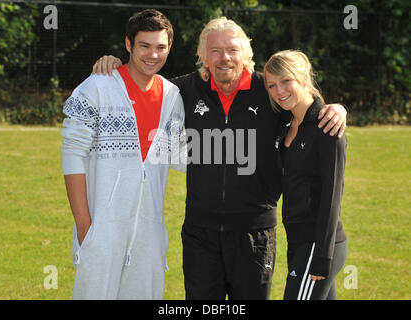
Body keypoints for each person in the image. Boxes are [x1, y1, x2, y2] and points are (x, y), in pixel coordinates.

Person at [93, 16, 347, 300]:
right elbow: (144, 80)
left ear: (245, 54)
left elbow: (305, 104)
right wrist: (115, 65)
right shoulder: (184, 90)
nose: (224, 58)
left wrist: (335, 108)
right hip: (200, 234)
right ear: (203, 56)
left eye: (232, 50)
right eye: (215, 51)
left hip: (255, 233)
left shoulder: (269, 92)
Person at [61, 9, 185, 300]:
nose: (152, 54)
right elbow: (72, 154)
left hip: (149, 230)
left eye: (161, 47)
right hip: (101, 227)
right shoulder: (98, 86)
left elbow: (179, 157)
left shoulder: (172, 96)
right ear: (128, 44)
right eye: (144, 45)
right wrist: (84, 226)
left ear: (170, 48)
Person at [263, 49, 348, 300]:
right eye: (272, 85)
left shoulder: (326, 127)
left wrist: (322, 255)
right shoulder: (285, 123)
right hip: (298, 240)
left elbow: (332, 195)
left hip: (318, 245)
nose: (279, 91)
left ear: (303, 77)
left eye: (286, 81)